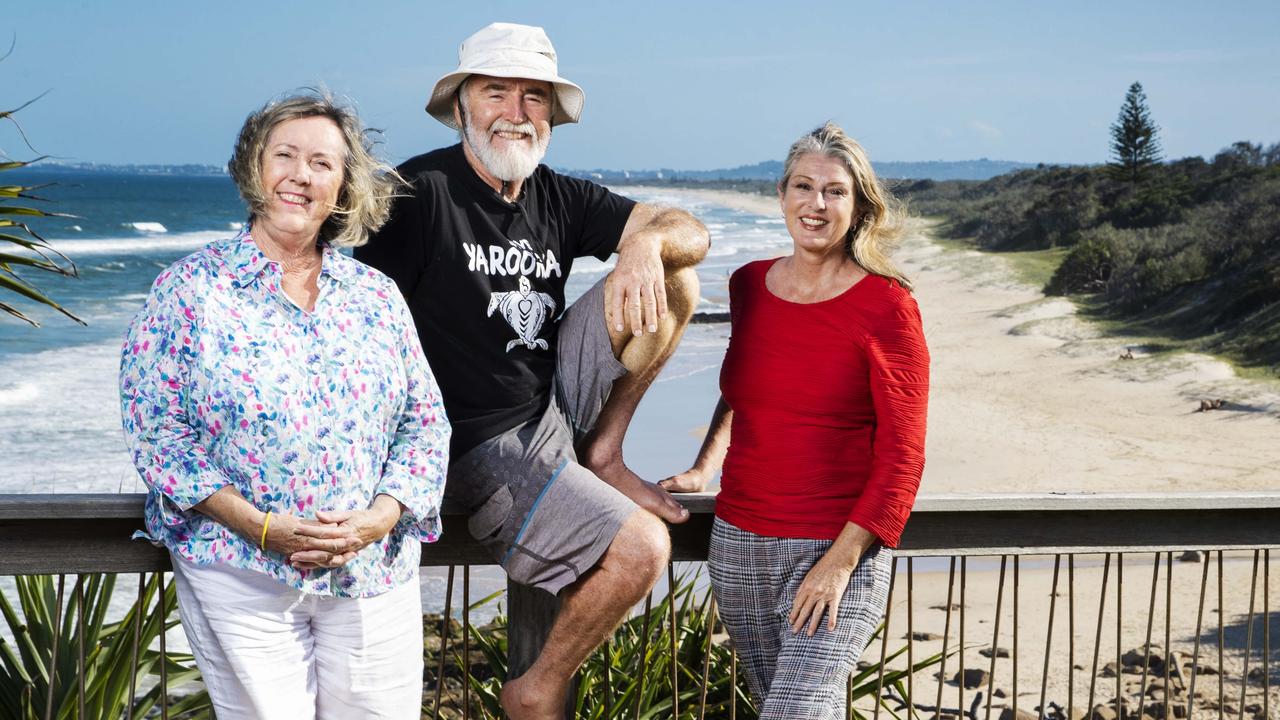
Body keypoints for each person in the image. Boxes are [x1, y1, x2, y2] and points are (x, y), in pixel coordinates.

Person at [353, 22, 709, 719]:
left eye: (534, 97)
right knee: (641, 549)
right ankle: (536, 688)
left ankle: (604, 452)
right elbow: (345, 321)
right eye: (496, 92)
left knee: (677, 280)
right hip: (479, 443)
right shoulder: (416, 195)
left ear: (551, 114)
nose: (516, 112)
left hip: (554, 405)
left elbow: (690, 229)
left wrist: (646, 244)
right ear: (462, 106)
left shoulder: (558, 197)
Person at [119, 92, 450, 719]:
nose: (301, 175)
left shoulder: (375, 295)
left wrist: (379, 518)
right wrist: (259, 527)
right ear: (254, 168)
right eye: (286, 156)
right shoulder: (190, 289)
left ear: (344, 185)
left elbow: (425, 423)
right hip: (240, 571)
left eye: (323, 163)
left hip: (371, 571)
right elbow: (156, 433)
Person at [662, 121, 930, 719]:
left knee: (796, 711)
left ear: (858, 206)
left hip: (841, 549)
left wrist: (838, 566)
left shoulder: (888, 305)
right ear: (781, 195)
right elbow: (743, 389)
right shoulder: (749, 285)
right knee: (787, 706)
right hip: (739, 546)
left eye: (835, 191)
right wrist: (706, 465)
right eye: (803, 187)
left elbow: (903, 456)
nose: (816, 204)